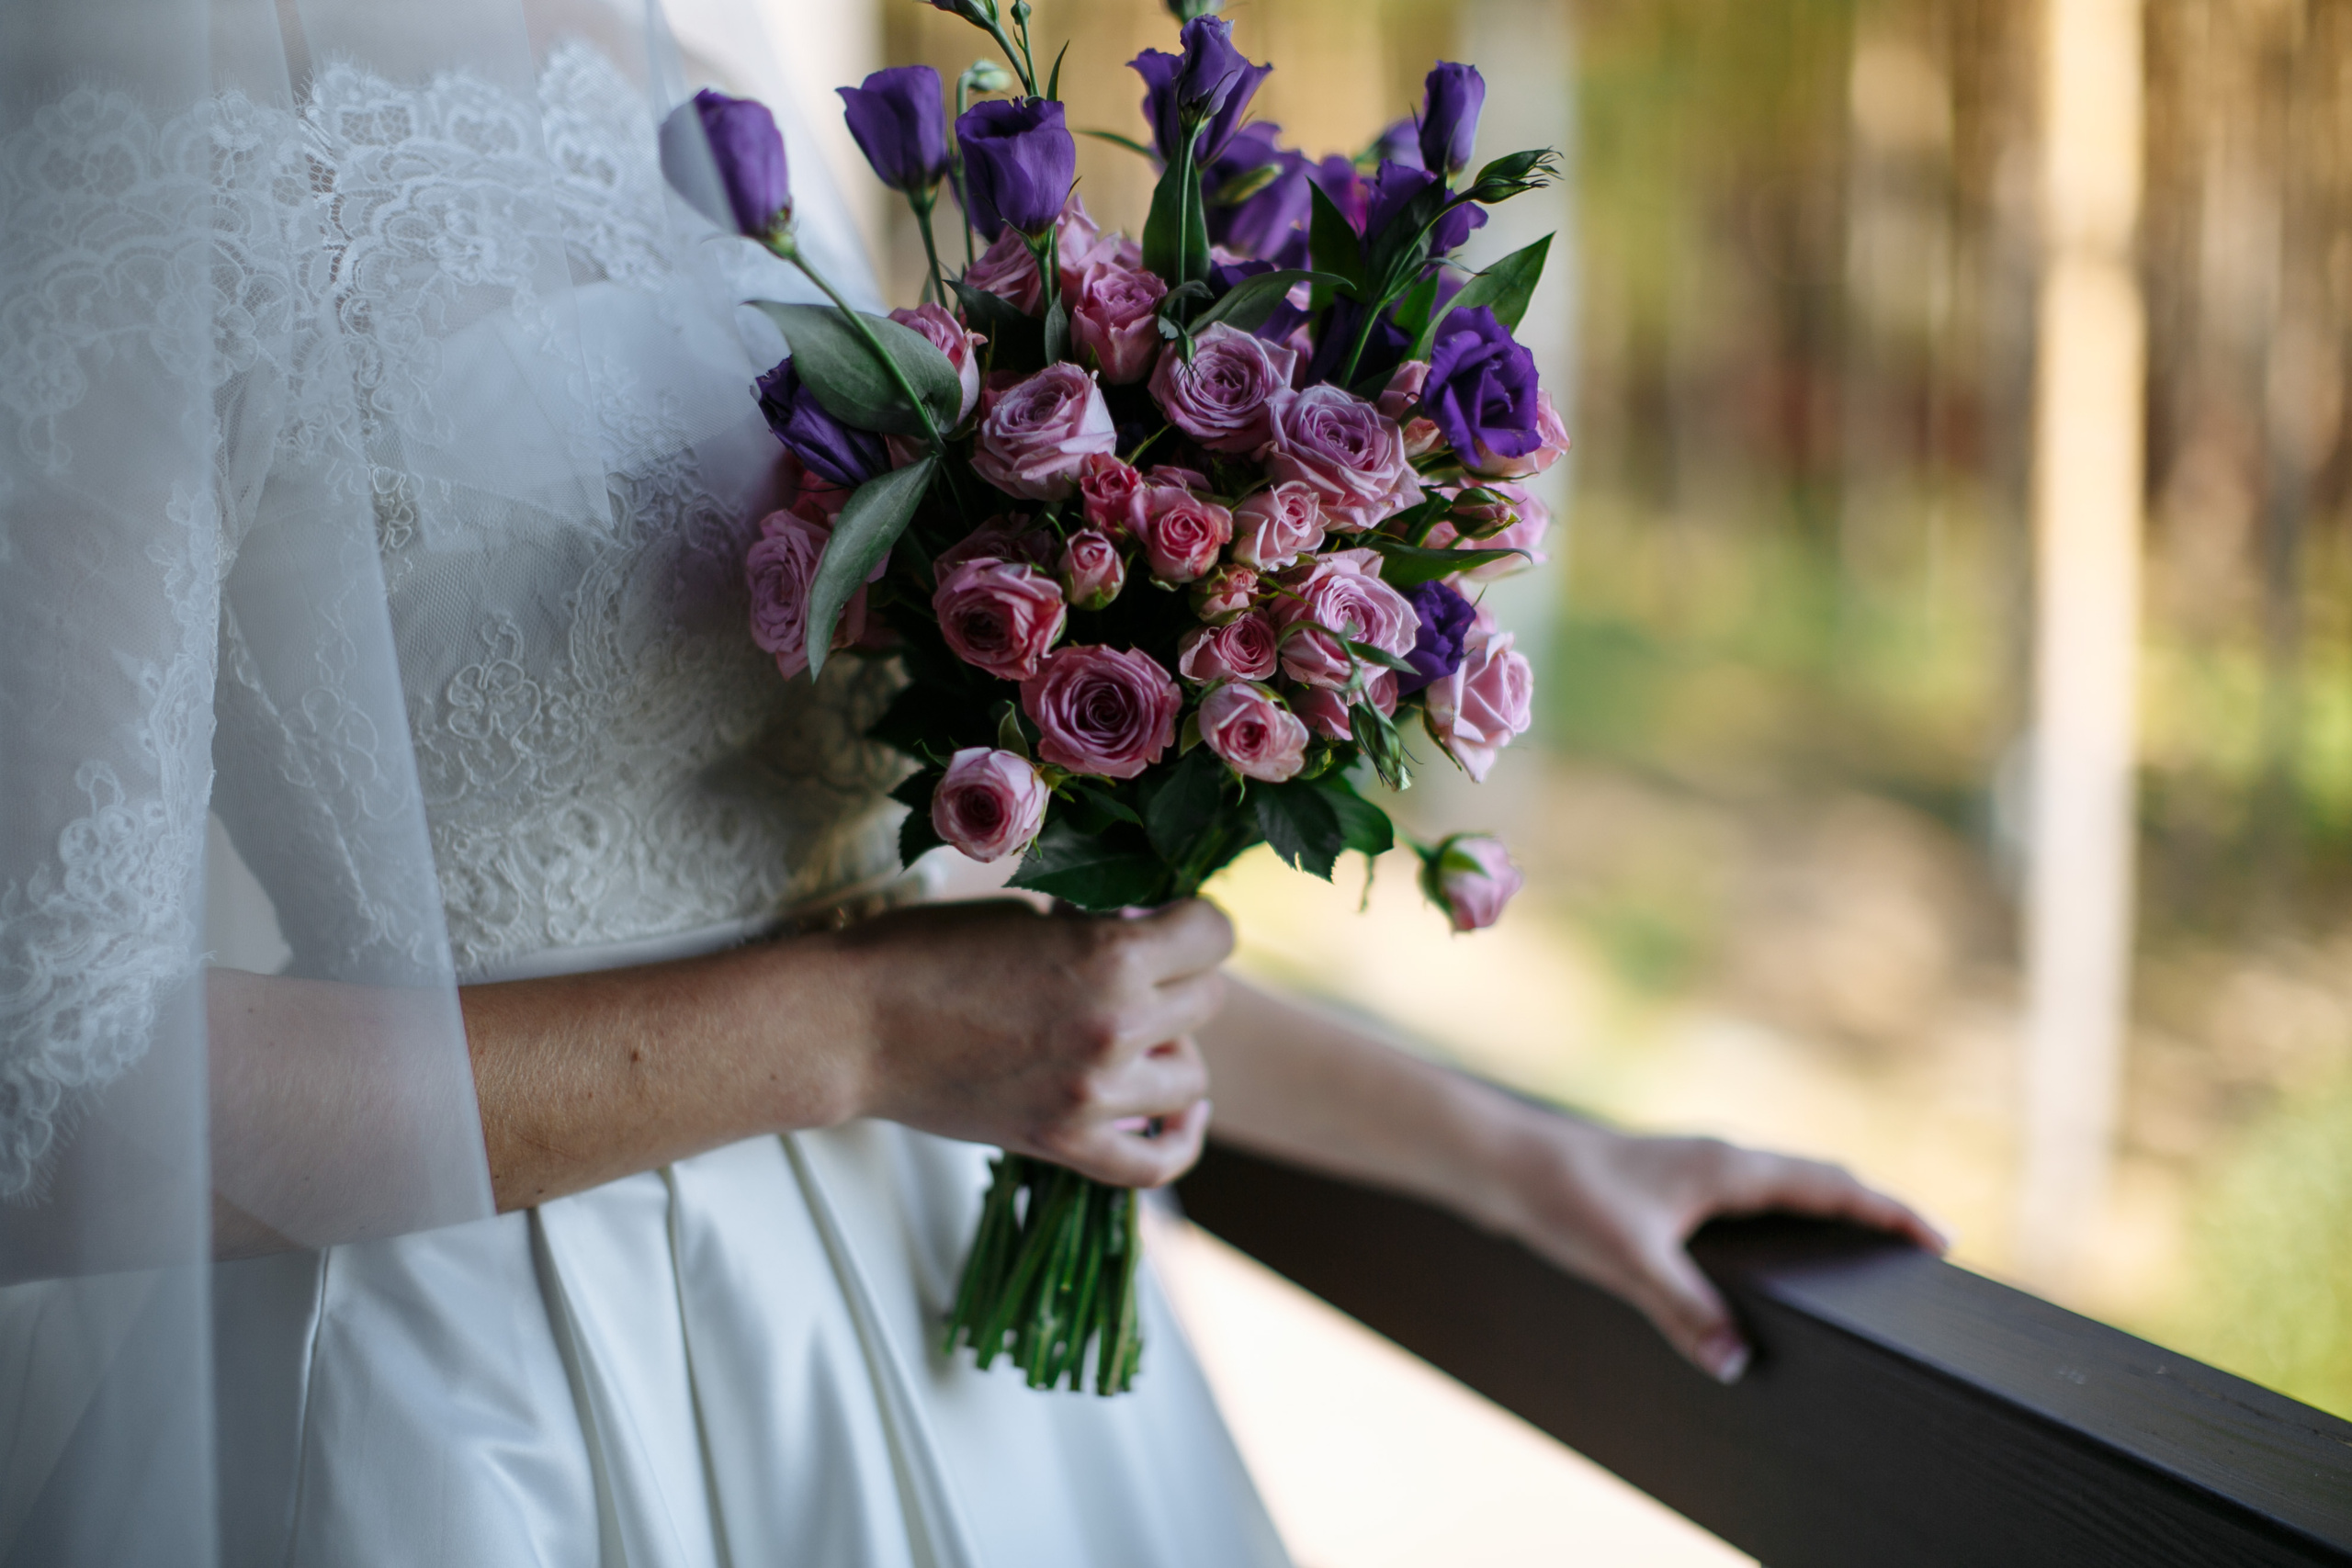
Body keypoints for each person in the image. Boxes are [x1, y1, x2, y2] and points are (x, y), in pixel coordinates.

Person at [0, 1, 1942, 1562]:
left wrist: (1527, 1157)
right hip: (493, 1404)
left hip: (944, 1345)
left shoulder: (696, 85)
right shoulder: (133, 114)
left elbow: (941, 924)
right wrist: (855, 1035)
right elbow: (54, 1095)